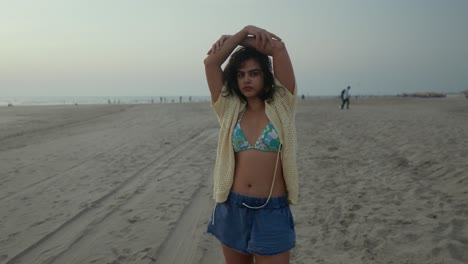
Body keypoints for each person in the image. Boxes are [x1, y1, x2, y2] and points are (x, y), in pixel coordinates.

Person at [204, 25, 298, 264]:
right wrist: (240, 34)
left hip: (272, 210)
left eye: (254, 73)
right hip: (233, 207)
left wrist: (242, 41)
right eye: (241, 74)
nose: (247, 79)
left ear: (265, 76)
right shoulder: (229, 108)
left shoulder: (282, 104)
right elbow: (211, 63)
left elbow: (277, 48)